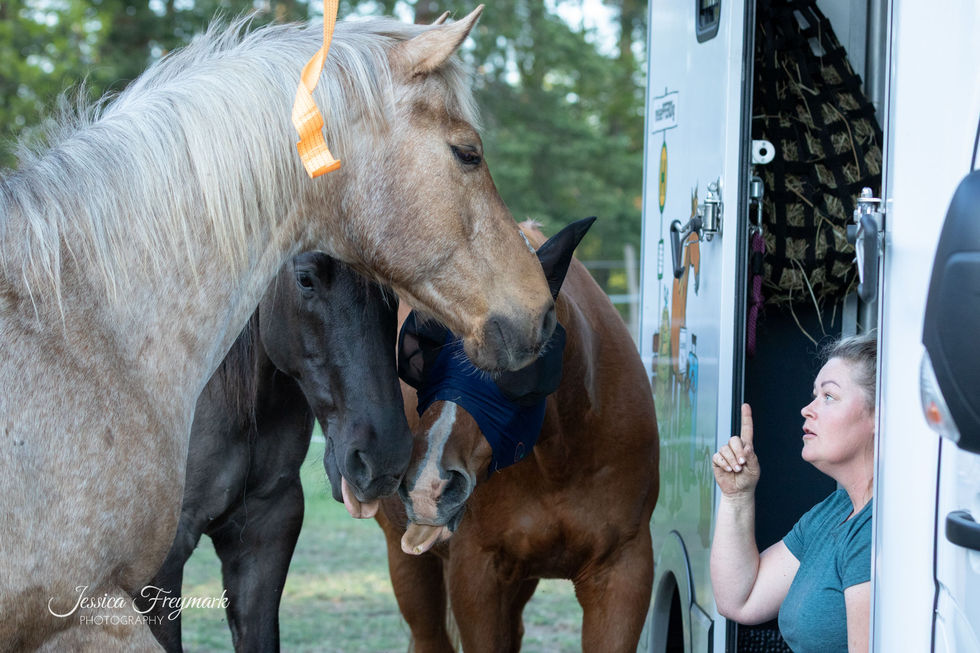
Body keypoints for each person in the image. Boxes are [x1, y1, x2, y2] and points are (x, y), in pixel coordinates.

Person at [709, 331, 876, 652]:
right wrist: (736, 496)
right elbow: (741, 599)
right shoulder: (837, 509)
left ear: (879, 414)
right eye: (814, 395)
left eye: (828, 396)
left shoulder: (872, 531)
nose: (807, 409)